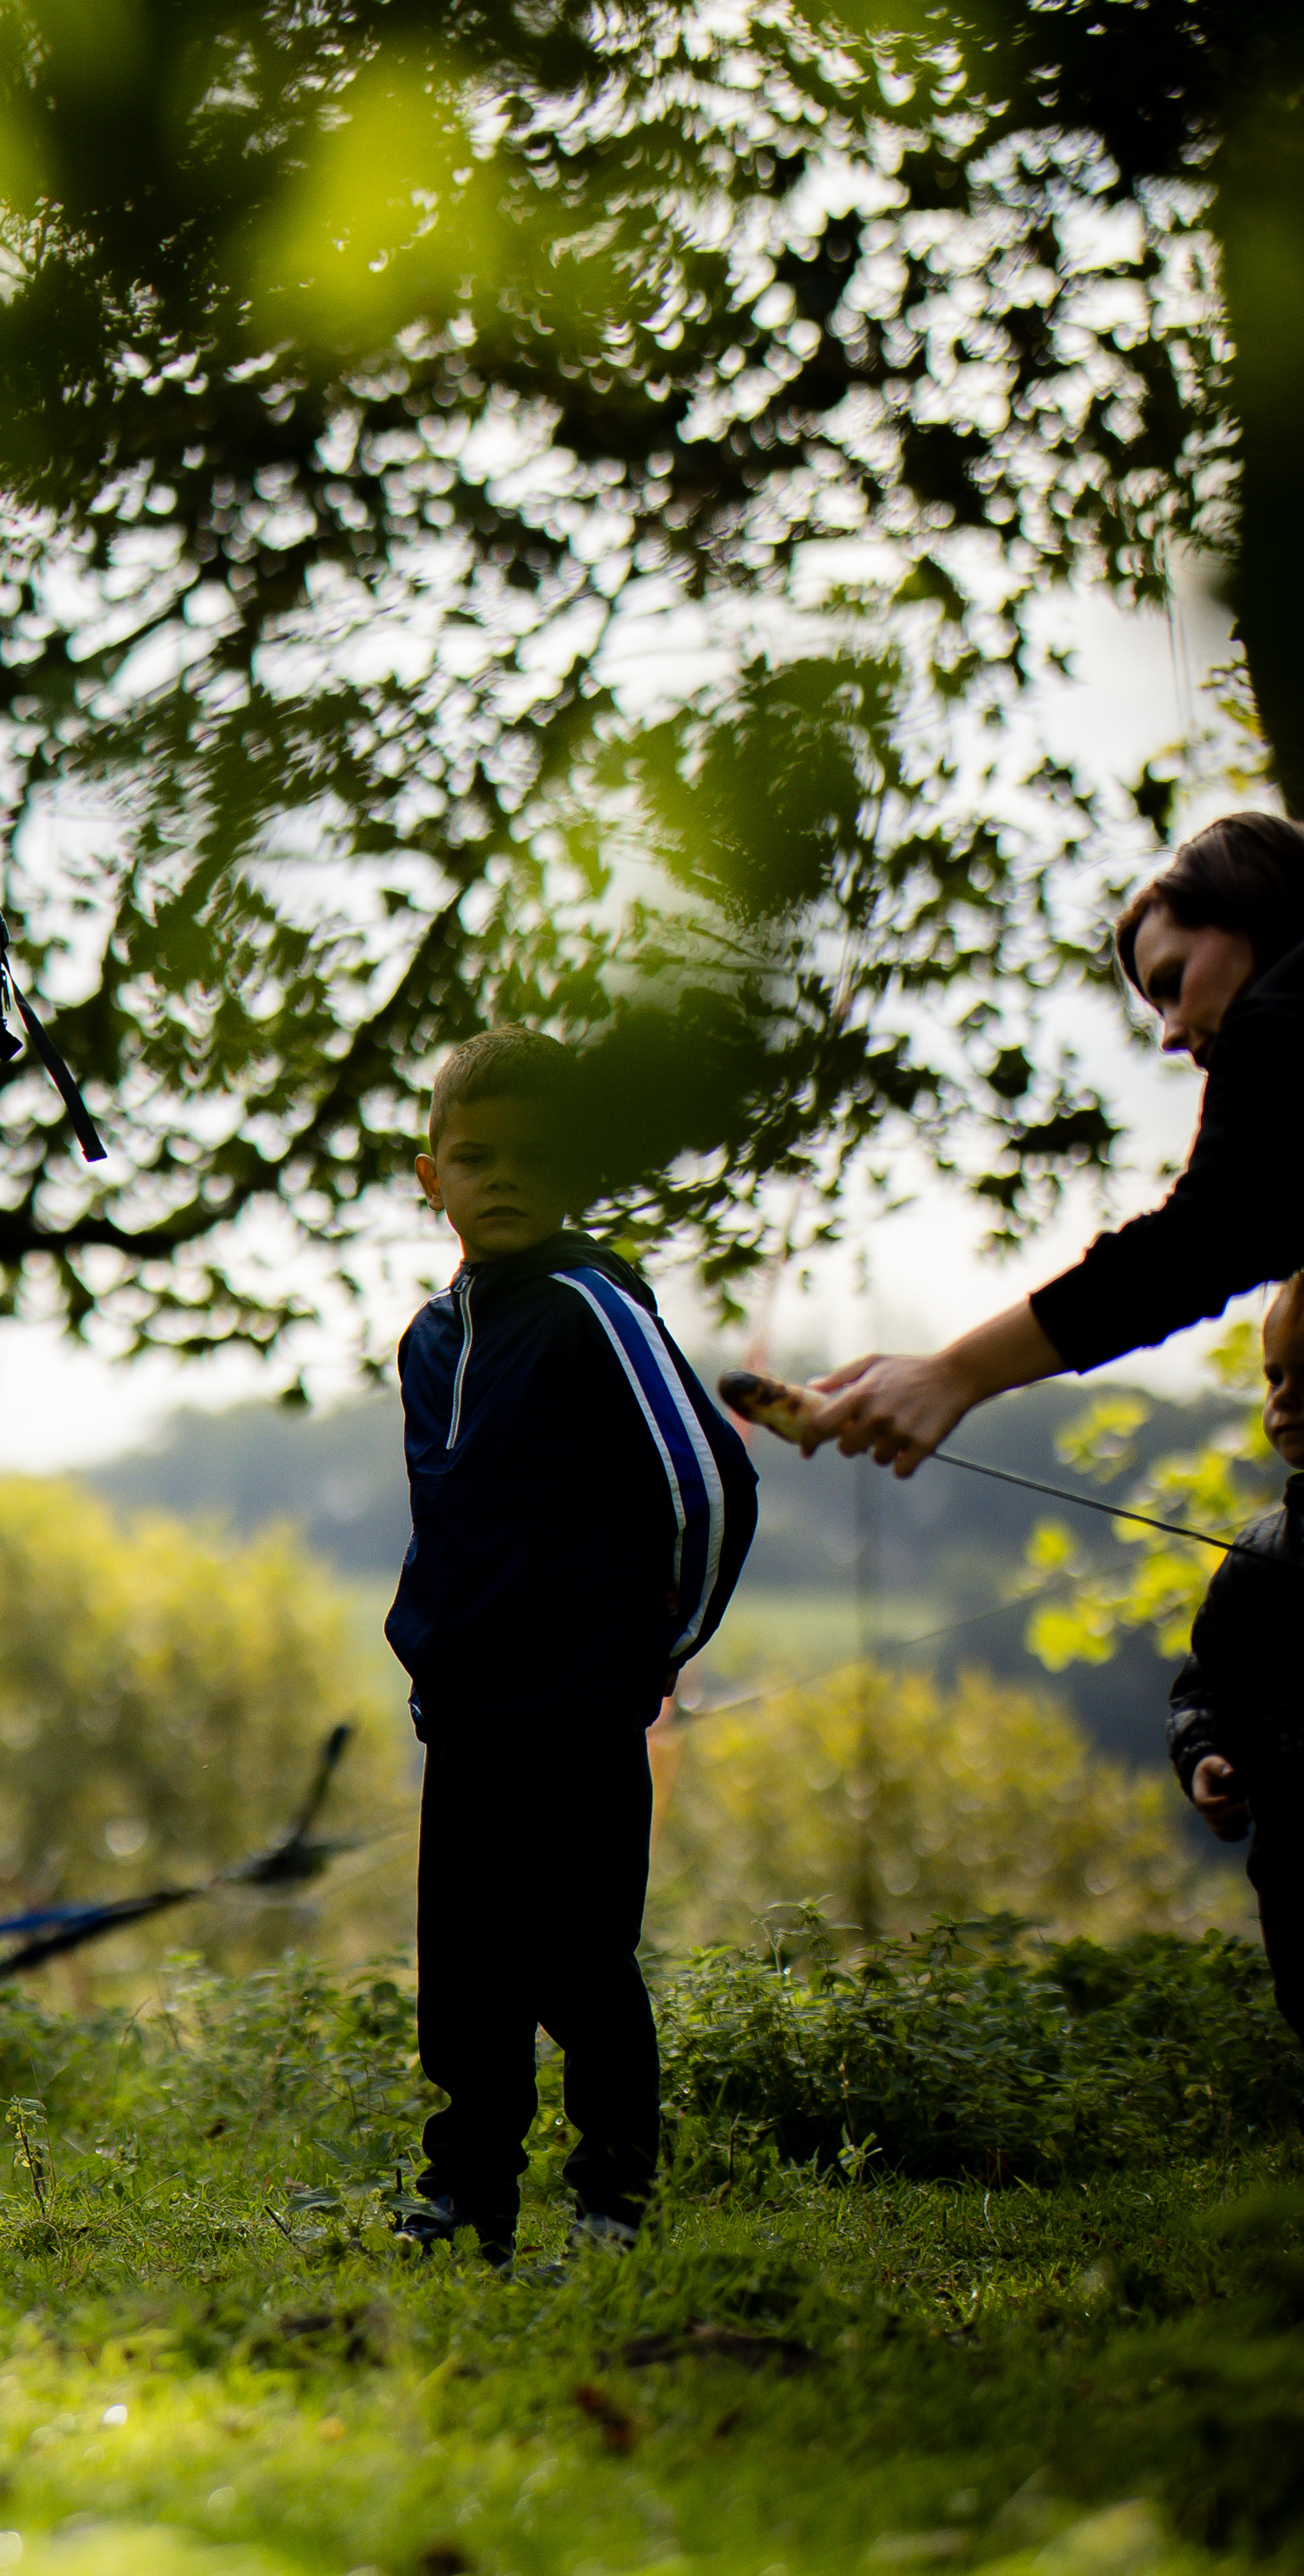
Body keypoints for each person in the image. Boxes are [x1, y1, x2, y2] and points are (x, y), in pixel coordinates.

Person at [384, 1028, 757, 2258]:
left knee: (582, 1963)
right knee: (469, 1974)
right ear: (427, 1173)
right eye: (473, 1157)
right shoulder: (431, 1339)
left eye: (533, 1158)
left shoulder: (593, 1307)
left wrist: (660, 1645)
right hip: (468, 1712)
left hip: (581, 1707)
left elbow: (707, 1486)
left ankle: (611, 2201)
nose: (501, 1179)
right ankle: (466, 2197)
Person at [794, 814, 1304, 1472]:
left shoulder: (1276, 1020)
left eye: (1175, 983)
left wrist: (955, 1373)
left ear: (1253, 907)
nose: (1172, 1035)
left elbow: (1205, 1239)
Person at [1175, 1273, 1304, 2046]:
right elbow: (1203, 1689)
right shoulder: (1261, 1557)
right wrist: (1205, 1754)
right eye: (1276, 1376)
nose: (1284, 1400)